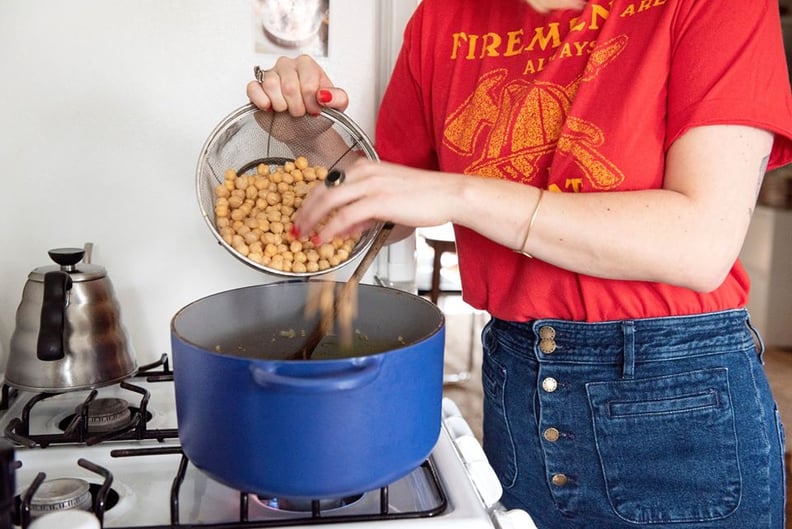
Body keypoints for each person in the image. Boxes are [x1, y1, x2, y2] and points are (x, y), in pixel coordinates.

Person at [247, 0, 792, 527]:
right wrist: (309, 134)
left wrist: (461, 195)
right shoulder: (443, 16)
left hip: (675, 396)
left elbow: (700, 244)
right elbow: (390, 211)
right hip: (519, 377)